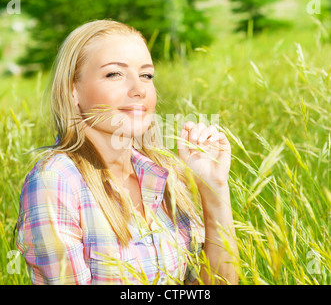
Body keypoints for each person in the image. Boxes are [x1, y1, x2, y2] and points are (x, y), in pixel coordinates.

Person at [15, 19, 239, 285]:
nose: (139, 90)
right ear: (73, 90)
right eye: (114, 74)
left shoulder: (167, 176)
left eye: (146, 75)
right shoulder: (55, 182)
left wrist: (214, 189)